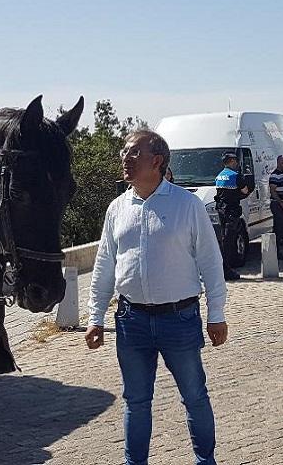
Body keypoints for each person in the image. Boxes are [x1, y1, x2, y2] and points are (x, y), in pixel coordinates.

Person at [85, 130, 228, 465]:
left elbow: (210, 260)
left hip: (179, 319)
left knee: (194, 396)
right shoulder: (117, 209)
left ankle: (205, 461)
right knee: (136, 400)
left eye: (134, 152)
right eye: (124, 151)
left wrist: (216, 313)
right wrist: (95, 318)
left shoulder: (187, 205)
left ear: (157, 161)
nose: (125, 157)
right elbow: (105, 264)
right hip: (131, 321)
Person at [214, 151, 251, 280]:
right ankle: (227, 269)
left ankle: (225, 267)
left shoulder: (219, 176)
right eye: (234, 160)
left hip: (221, 211)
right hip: (232, 211)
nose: (236, 162)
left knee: (224, 239)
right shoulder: (236, 176)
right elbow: (245, 191)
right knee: (230, 241)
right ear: (230, 161)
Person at [268, 155, 283, 260]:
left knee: (281, 229)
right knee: (279, 229)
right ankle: (275, 252)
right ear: (278, 162)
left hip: (281, 205)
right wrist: (282, 203)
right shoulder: (275, 175)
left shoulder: (282, 174)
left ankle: (276, 251)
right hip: (277, 205)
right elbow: (273, 191)